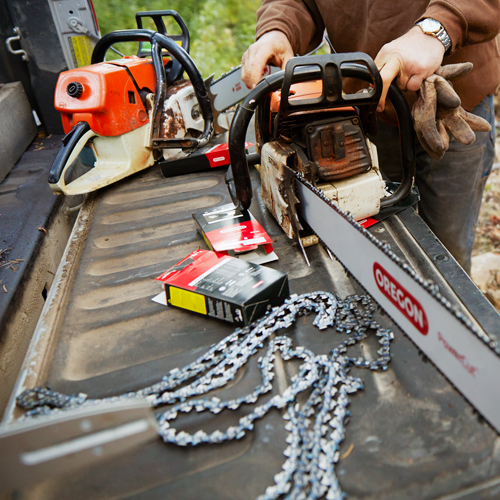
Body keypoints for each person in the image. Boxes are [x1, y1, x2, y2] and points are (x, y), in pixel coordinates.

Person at [240, 1, 500, 274]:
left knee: (447, 253)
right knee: (379, 234)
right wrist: (279, 27)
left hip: (449, 107)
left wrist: (436, 30)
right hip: (363, 105)